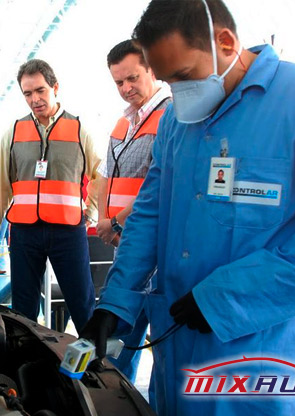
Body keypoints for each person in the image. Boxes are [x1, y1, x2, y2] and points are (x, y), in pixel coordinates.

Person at [79, 1, 295, 415]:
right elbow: (149, 215)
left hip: (266, 358)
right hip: (181, 352)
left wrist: (225, 299)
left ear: (226, 42)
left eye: (183, 76)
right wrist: (116, 302)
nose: (177, 93)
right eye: (167, 81)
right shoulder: (177, 121)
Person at [0, 59, 100, 331]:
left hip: (68, 232)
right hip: (24, 233)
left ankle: (93, 368)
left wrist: (90, 213)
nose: (34, 99)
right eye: (27, 93)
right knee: (23, 308)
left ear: (55, 88)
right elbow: (1, 183)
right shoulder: (13, 132)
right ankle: (26, 365)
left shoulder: (80, 130)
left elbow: (99, 176)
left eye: (40, 91)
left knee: (82, 304)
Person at [94, 39, 171, 382]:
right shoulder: (121, 124)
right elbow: (105, 177)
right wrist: (103, 220)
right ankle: (114, 391)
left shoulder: (172, 117)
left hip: (153, 244)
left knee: (149, 328)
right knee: (123, 329)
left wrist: (115, 222)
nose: (126, 88)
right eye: (118, 83)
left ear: (152, 70)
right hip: (123, 242)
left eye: (133, 78)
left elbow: (159, 188)